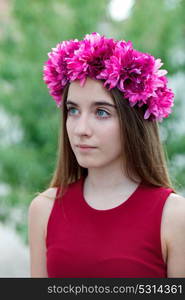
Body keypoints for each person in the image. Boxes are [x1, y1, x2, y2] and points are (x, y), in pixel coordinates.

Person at [28, 32, 185, 278]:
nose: (81, 130)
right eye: (73, 110)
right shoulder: (44, 210)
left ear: (133, 122)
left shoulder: (173, 216)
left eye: (101, 112)